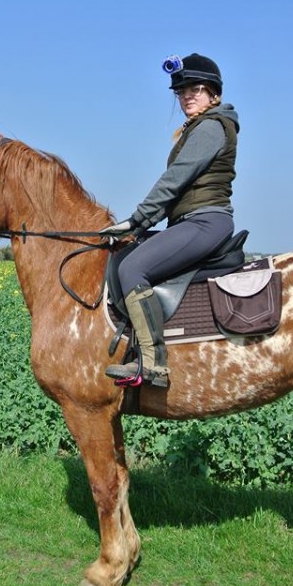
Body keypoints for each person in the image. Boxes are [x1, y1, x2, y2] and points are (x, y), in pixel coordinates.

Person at [99, 53, 240, 388]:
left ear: (213, 94)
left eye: (196, 89)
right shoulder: (198, 128)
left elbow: (175, 180)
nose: (187, 96)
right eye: (181, 91)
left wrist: (137, 220)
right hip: (189, 221)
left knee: (132, 269)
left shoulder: (211, 126)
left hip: (206, 221)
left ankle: (152, 365)